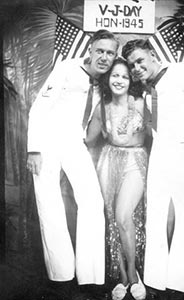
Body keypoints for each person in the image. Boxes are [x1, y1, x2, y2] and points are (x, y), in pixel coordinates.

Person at [26, 30, 119, 299]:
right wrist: (34, 149)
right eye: (100, 51)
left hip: (74, 144)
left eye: (110, 53)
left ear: (115, 56)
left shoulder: (105, 81)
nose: (104, 57)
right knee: (50, 205)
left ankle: (89, 277)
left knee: (92, 201)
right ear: (90, 50)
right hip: (47, 142)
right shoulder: (67, 67)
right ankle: (61, 276)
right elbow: (39, 107)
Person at [122, 39, 184, 300]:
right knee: (156, 215)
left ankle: (179, 282)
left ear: (152, 55)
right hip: (160, 154)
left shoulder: (182, 72)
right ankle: (154, 278)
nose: (137, 68)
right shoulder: (146, 89)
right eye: (132, 65)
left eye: (140, 60)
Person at [85, 57, 150, 300]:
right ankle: (122, 277)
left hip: (135, 160)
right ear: (107, 79)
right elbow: (89, 140)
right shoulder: (101, 107)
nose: (119, 80)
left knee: (124, 215)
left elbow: (158, 135)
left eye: (124, 75)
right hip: (109, 159)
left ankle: (134, 276)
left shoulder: (142, 104)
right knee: (113, 219)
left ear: (130, 79)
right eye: (114, 75)